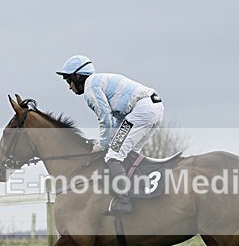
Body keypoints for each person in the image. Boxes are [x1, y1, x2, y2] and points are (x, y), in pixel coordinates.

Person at [57, 54, 164, 214]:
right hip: (154, 108)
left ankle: (124, 201)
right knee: (128, 155)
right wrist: (108, 141)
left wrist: (101, 145)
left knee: (113, 156)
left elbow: (105, 118)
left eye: (68, 81)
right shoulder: (99, 81)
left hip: (142, 110)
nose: (69, 87)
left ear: (77, 76)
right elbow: (116, 123)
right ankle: (140, 192)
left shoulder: (90, 88)